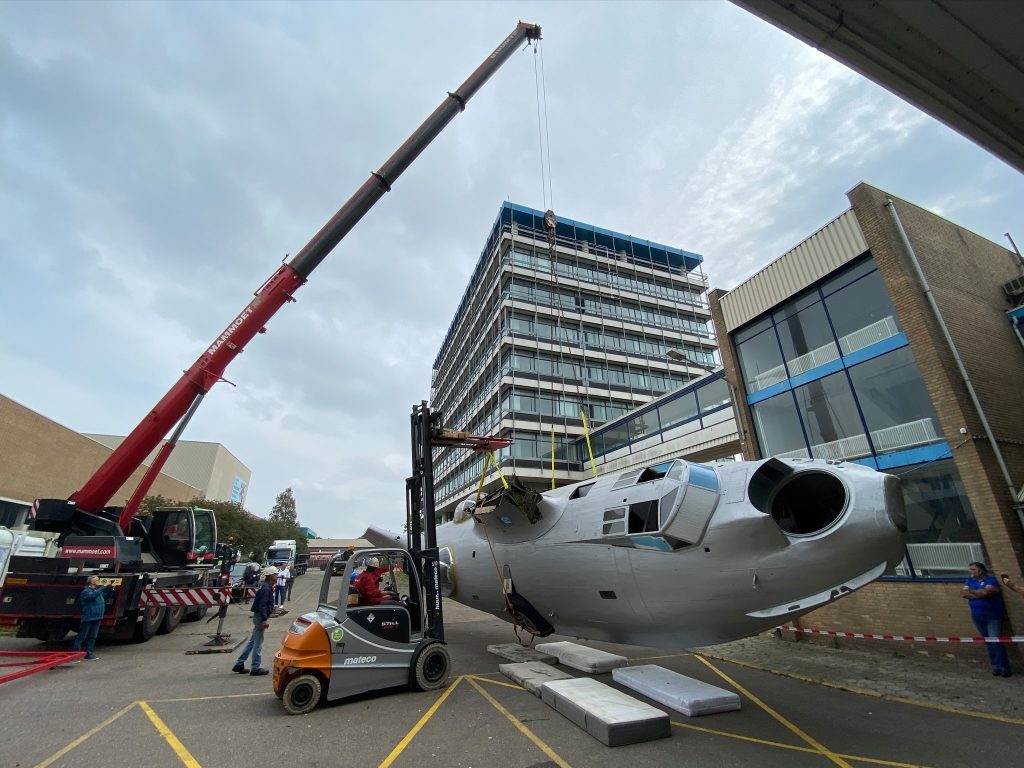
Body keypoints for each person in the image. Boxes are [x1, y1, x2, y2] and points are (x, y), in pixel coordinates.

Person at [961, 561, 1011, 677]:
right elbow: (963, 593)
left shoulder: (991, 581)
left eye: (973, 569)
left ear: (980, 570)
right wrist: (978, 592)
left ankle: (1004, 667)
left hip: (992, 616)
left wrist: (972, 592)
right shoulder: (970, 581)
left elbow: (986, 593)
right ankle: (995, 666)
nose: (971, 572)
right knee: (987, 641)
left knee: (995, 641)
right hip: (977, 616)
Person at [232, 566, 278, 676]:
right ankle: (255, 667)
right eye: (275, 574)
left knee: (252, 642)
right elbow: (262, 605)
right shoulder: (266, 588)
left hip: (258, 616)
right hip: (260, 617)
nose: (277, 576)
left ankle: (239, 663)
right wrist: (264, 619)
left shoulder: (264, 586)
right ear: (271, 576)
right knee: (258, 643)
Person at [69, 575, 113, 662]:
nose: (98, 581)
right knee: (82, 636)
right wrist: (104, 587)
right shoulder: (86, 591)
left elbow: (106, 597)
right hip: (89, 617)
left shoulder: (97, 591)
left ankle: (89, 653)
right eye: (96, 580)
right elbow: (92, 596)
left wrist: (111, 589)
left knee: (92, 636)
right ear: (91, 582)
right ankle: (75, 654)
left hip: (97, 617)